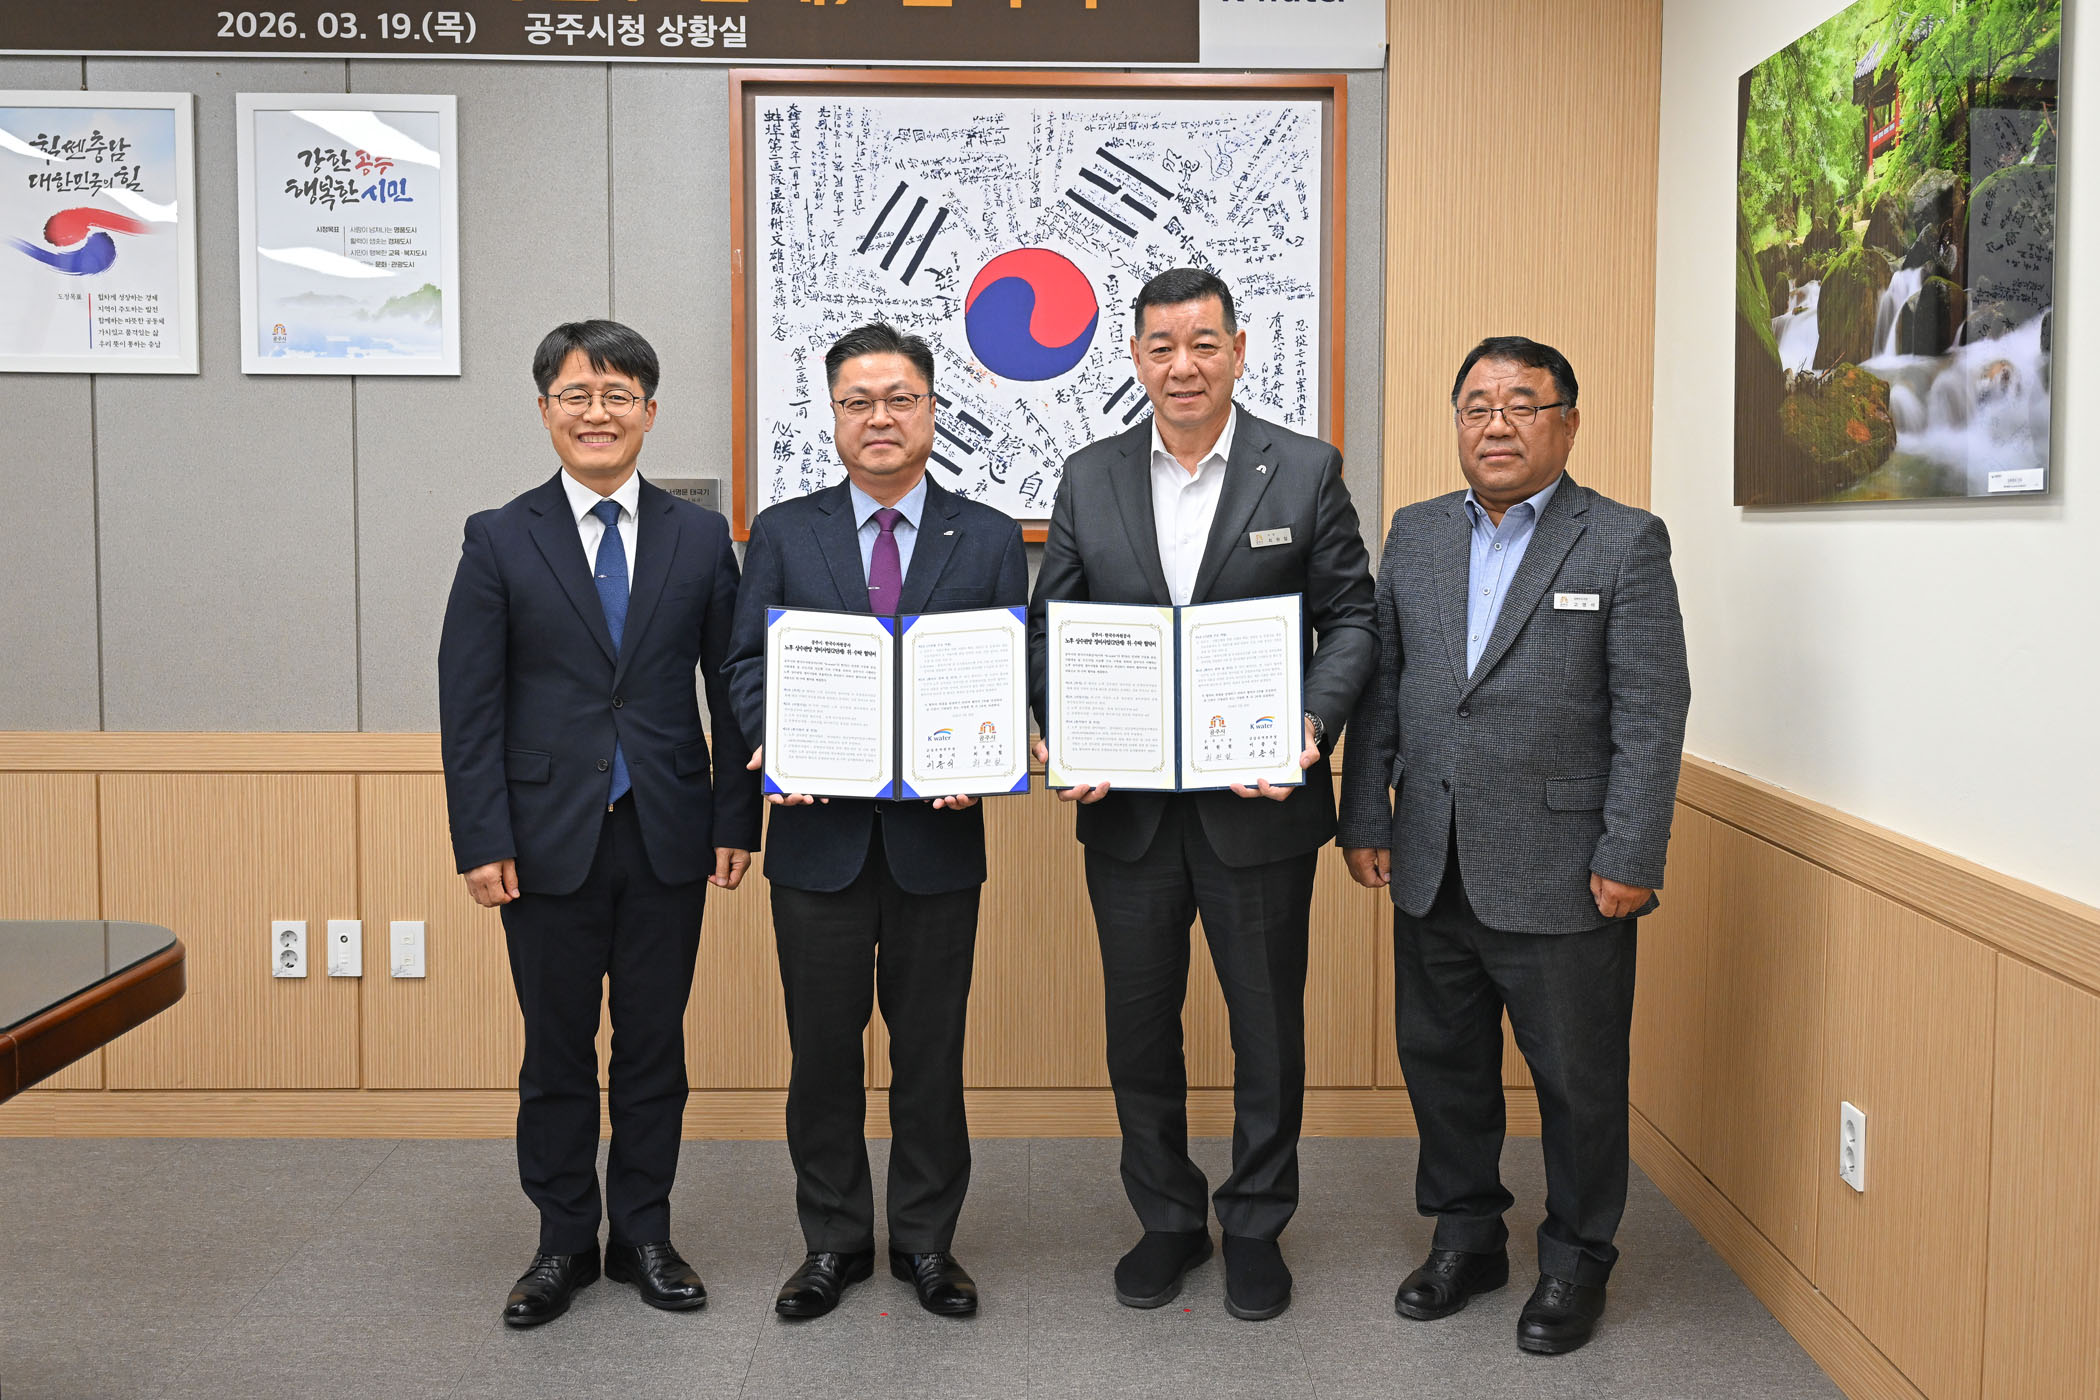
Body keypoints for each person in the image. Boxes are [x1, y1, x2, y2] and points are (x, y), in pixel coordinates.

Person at [1027, 268, 1377, 1321]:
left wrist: (1312, 722)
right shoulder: (1089, 476)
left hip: (1258, 804)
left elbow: (1352, 618)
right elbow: (1051, 629)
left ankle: (1257, 1222)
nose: (1183, 365)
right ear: (1135, 357)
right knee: (1139, 1028)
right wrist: (1061, 729)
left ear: (1238, 349)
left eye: (1203, 344)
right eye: (1162, 346)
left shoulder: (1304, 470)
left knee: (1266, 1026)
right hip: (1128, 810)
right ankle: (1169, 1217)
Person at [1338, 335, 1690, 1355]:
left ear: (1567, 424)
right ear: (1457, 423)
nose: (1496, 424)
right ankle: (1467, 1235)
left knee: (1578, 1081)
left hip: (1568, 870)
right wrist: (1367, 816)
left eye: (1522, 405)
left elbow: (1652, 707)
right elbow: (1386, 689)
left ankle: (1578, 1258)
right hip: (1431, 855)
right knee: (1441, 1063)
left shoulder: (1623, 541)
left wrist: (1632, 851)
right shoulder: (1414, 535)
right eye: (1477, 406)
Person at [438, 320, 759, 1327]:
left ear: (649, 414)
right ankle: (563, 1240)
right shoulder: (499, 536)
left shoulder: (699, 538)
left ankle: (645, 1234)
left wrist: (737, 816)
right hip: (542, 838)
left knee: (654, 1046)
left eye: (618, 395)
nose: (597, 413)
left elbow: (730, 688)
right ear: (545, 411)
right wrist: (481, 837)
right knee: (557, 1049)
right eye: (576, 395)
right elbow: (469, 702)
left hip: (668, 826)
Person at [725, 322, 1027, 1320]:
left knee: (930, 1053)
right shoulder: (783, 531)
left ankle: (929, 1243)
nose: (880, 418)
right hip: (818, 840)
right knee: (822, 1053)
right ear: (834, 416)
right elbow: (745, 663)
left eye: (900, 398)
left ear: (932, 410)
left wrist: (984, 757)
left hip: (938, 841)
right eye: (858, 402)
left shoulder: (987, 536)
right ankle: (834, 1241)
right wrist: (777, 738)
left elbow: (1009, 667)